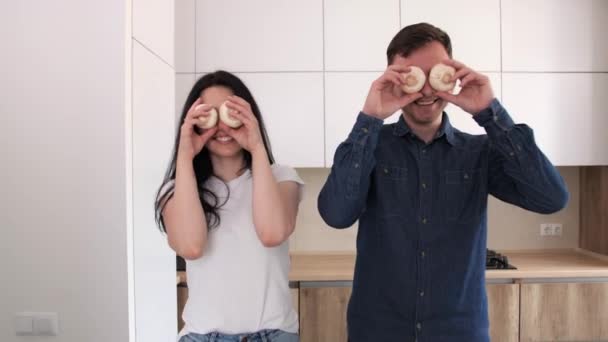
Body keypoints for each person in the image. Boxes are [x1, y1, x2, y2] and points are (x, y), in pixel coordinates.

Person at [317, 22, 569, 341]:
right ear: (393, 78)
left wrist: (490, 112)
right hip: (378, 330)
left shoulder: (479, 152)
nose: (424, 91)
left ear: (451, 74)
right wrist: (369, 118)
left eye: (434, 74)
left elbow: (551, 198)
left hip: (459, 331)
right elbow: (336, 215)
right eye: (412, 77)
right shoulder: (369, 146)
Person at [155, 71, 302, 342]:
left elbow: (272, 233)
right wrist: (184, 155)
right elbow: (191, 246)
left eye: (231, 113)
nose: (222, 127)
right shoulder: (175, 190)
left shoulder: (282, 177)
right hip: (202, 336)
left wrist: (257, 147)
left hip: (275, 335)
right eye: (208, 116)